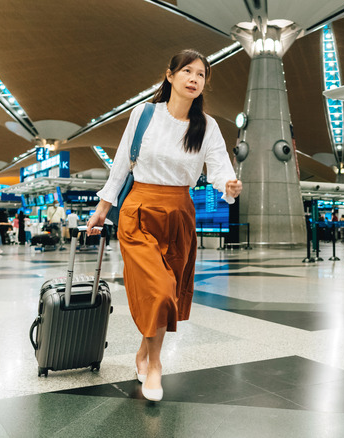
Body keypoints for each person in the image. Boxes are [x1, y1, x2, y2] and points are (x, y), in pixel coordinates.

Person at [87, 49, 242, 402]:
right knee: (157, 288)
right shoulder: (144, 114)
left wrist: (228, 185)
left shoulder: (207, 126)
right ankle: (155, 366)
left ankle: (143, 352)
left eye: (201, 75)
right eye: (187, 71)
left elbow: (219, 168)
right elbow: (121, 165)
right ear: (169, 75)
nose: (194, 78)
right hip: (139, 210)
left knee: (167, 293)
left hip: (180, 215)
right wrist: (102, 208)